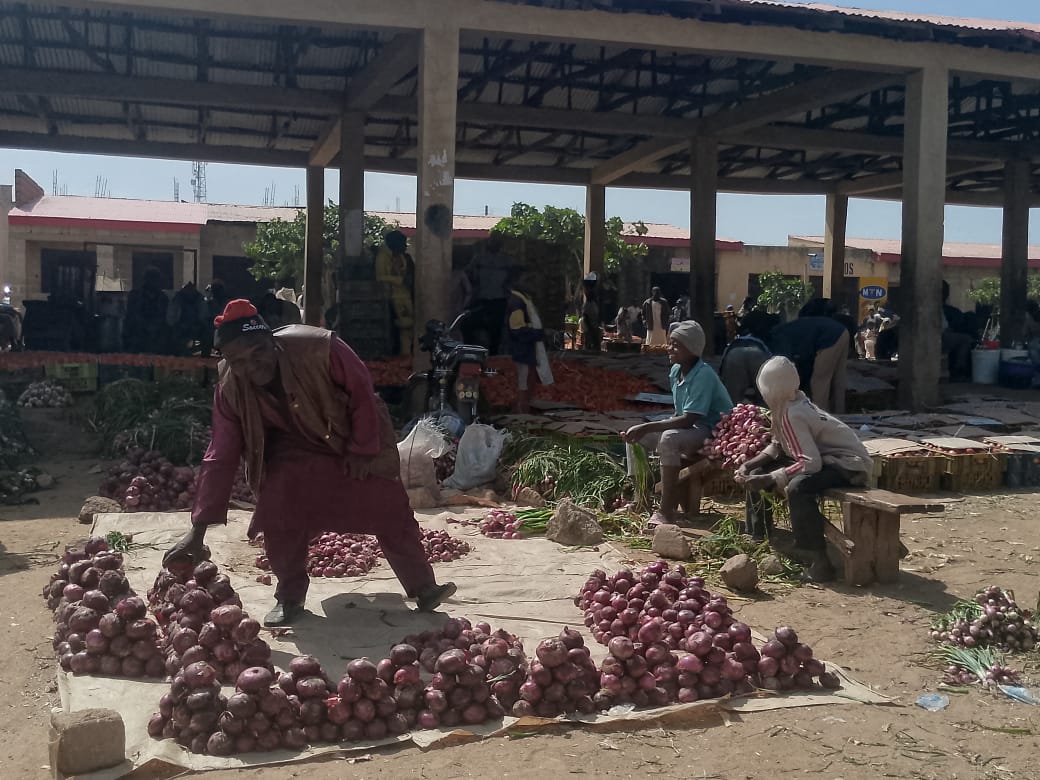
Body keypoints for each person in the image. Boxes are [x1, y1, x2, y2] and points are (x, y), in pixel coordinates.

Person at [162, 299, 456, 626]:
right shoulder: (230, 385)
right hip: (289, 454)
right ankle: (289, 596)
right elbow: (221, 451)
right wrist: (198, 530)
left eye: (257, 352)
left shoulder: (320, 347)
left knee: (387, 505)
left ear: (271, 341)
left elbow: (362, 392)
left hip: (348, 436)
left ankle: (423, 587)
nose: (251, 366)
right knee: (277, 509)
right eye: (238, 360)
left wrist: (362, 449)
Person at [735, 356, 872, 582]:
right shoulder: (785, 405)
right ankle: (757, 537)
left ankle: (818, 559)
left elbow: (810, 463)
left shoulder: (794, 413)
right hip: (824, 459)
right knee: (759, 474)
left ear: (773, 389)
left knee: (799, 487)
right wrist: (750, 465)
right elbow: (778, 445)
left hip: (847, 464)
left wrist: (772, 477)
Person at [620, 321, 733, 530]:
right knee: (636, 437)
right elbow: (679, 413)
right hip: (691, 428)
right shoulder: (675, 372)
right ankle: (640, 499)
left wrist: (648, 427)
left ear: (692, 349)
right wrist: (643, 429)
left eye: (676, 345)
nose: (669, 349)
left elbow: (690, 419)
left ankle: (666, 511)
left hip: (712, 431)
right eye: (670, 343)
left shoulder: (703, 375)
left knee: (668, 438)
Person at [770, 315, 849, 414]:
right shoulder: (786, 330)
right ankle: (840, 414)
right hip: (841, 331)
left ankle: (821, 418)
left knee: (819, 382)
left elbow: (787, 363)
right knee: (838, 378)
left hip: (828, 337)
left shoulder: (777, 336)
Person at [506, 267, 554, 413]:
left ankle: (524, 409)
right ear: (517, 281)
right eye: (526, 280)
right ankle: (522, 411)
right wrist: (540, 334)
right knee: (524, 382)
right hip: (523, 349)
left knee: (529, 380)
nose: (531, 283)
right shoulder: (516, 301)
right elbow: (517, 330)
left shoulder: (523, 298)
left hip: (529, 349)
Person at [468, 233, 513, 354]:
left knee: (496, 329)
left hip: (499, 298)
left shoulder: (506, 259)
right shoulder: (479, 258)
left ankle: (494, 354)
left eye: (497, 241)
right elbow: (470, 273)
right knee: (476, 328)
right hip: (481, 298)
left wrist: (506, 285)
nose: (495, 244)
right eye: (493, 241)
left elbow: (515, 273)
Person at [375, 230, 416, 356]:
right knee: (405, 324)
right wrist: (399, 280)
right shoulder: (382, 257)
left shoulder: (401, 256)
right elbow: (380, 277)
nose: (405, 247)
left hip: (406, 294)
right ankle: (405, 355)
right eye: (403, 244)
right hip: (394, 296)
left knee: (413, 322)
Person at [719, 309, 772, 404]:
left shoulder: (737, 341)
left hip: (734, 354)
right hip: (759, 354)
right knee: (765, 401)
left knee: (732, 402)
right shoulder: (766, 337)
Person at [124, 266, 170, 354]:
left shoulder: (163, 298)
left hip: (156, 334)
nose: (153, 282)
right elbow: (131, 315)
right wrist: (145, 326)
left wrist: (154, 327)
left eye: (155, 279)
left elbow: (164, 317)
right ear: (145, 280)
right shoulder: (135, 295)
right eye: (150, 279)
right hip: (137, 334)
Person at [942, 280, 973, 382]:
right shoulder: (935, 306)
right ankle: (958, 371)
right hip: (937, 337)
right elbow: (943, 326)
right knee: (966, 339)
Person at [167, 281, 208, 356]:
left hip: (196, 326)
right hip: (180, 326)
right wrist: (176, 325)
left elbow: (203, 315)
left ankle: (205, 357)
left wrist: (198, 325)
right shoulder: (177, 299)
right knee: (172, 336)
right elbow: (172, 316)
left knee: (207, 335)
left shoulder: (199, 299)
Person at [579, 273, 602, 352]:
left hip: (593, 328)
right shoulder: (588, 305)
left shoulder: (593, 303)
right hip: (590, 329)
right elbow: (586, 319)